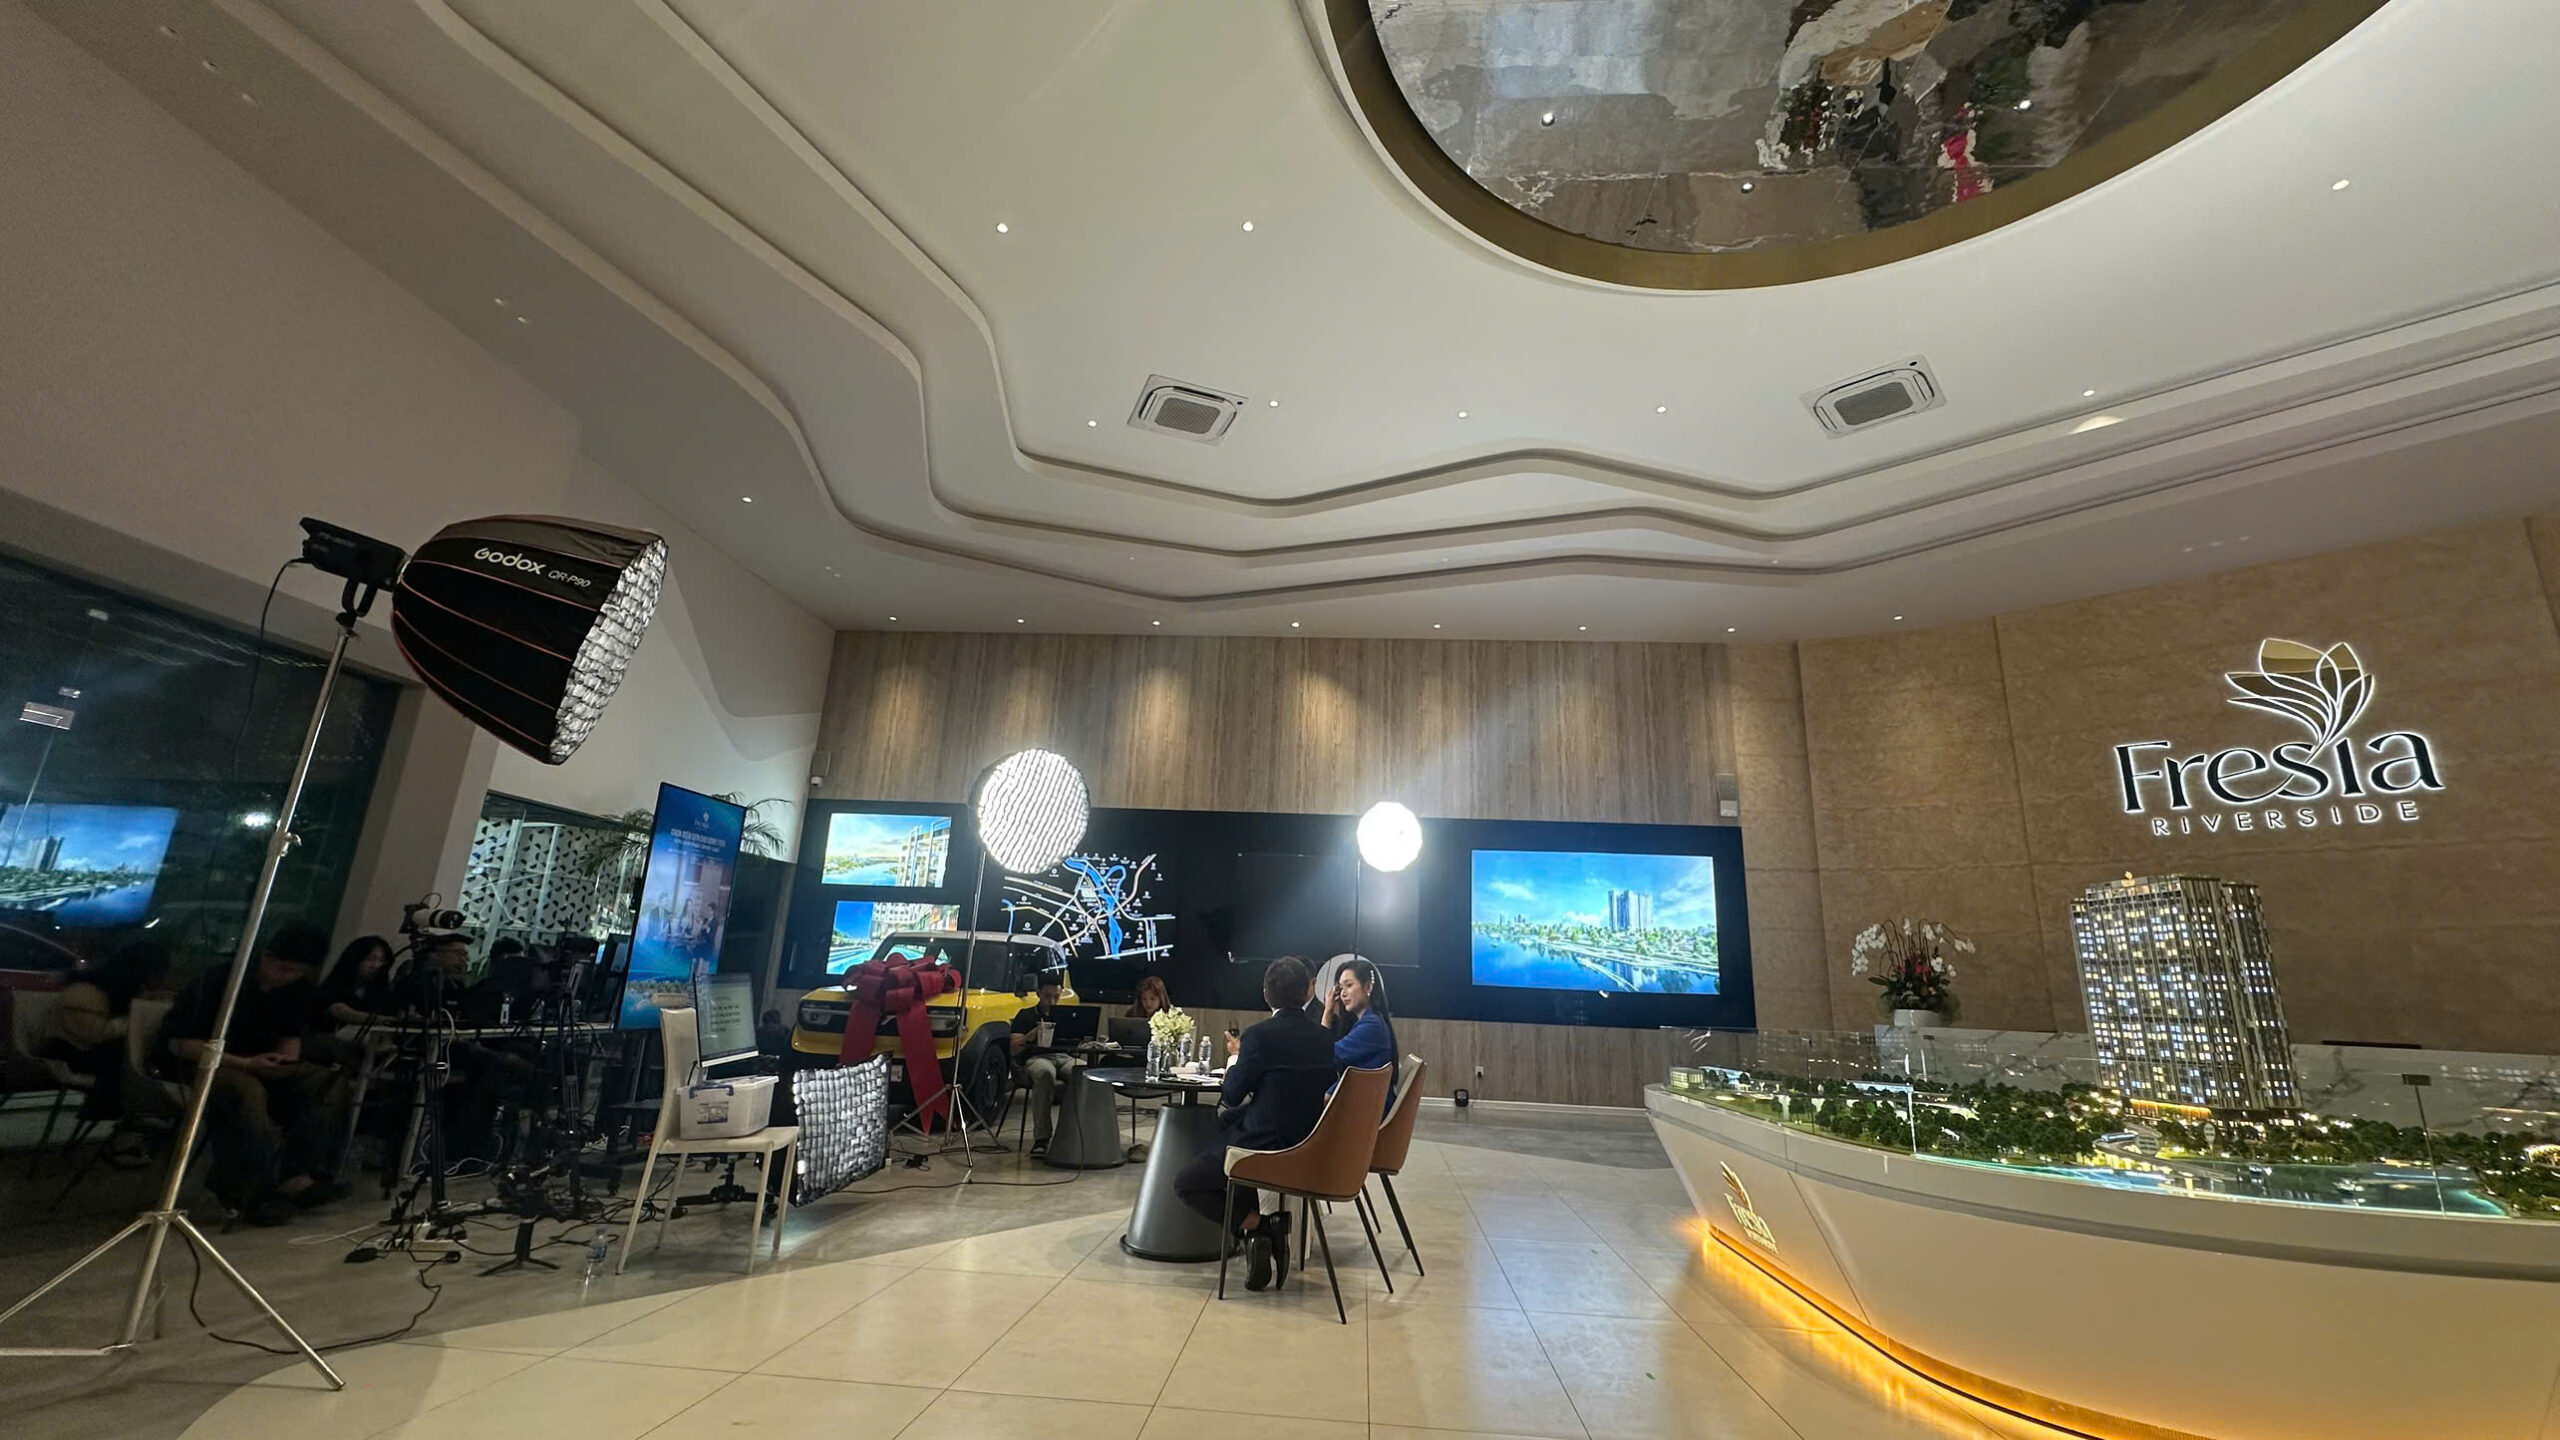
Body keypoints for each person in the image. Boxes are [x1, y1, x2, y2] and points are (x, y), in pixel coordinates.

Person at [154, 922, 347, 1224]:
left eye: (297, 972)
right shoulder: (220, 981)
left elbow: (290, 1035)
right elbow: (179, 1043)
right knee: (246, 1090)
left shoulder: (295, 991)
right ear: (266, 956)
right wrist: (244, 1063)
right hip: (201, 1063)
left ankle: (299, 1175)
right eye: (283, 969)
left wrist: (285, 1062)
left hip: (259, 1062)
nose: (287, 977)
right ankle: (249, 1191)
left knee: (327, 1082)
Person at [1174, 956, 1334, 1292]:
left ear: (1266, 994)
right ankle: (1255, 1236)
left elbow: (1232, 1095)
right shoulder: (1323, 1038)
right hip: (1309, 1144)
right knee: (1228, 1124)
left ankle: (1258, 1226)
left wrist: (1235, 1061)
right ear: (1307, 992)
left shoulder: (1259, 1036)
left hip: (1264, 1147)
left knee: (1187, 1184)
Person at [41, 939, 174, 1167]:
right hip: (73, 1053)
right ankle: (133, 1122)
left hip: (98, 1053)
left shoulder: (120, 992)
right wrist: (142, 1016)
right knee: (127, 1061)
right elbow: (95, 1033)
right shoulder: (84, 993)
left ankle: (141, 1117)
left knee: (147, 1056)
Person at [1011, 972, 1071, 1157]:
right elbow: (1013, 1048)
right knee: (1045, 1074)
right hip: (1037, 1058)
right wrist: (1032, 1034)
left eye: (1056, 996)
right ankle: (1042, 1138)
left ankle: (1074, 1134)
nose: (1052, 1001)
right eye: (1047, 996)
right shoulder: (1025, 1015)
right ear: (1038, 993)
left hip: (1063, 1056)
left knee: (1084, 1073)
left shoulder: (1067, 1016)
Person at [1323, 957, 1399, 1098]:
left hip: (1367, 1103)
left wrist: (1327, 1012)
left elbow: (1326, 1055)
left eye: (1349, 985)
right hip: (1367, 1098)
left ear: (1368, 987)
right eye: (1341, 988)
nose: (1343, 994)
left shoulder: (1371, 1026)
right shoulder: (1370, 1021)